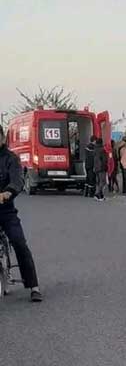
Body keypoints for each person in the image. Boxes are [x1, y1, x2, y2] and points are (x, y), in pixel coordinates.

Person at [0, 126, 42, 302]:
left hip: (5, 209)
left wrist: (8, 192)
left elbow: (17, 180)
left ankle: (34, 286)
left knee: (19, 242)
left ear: (2, 138)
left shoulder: (11, 158)